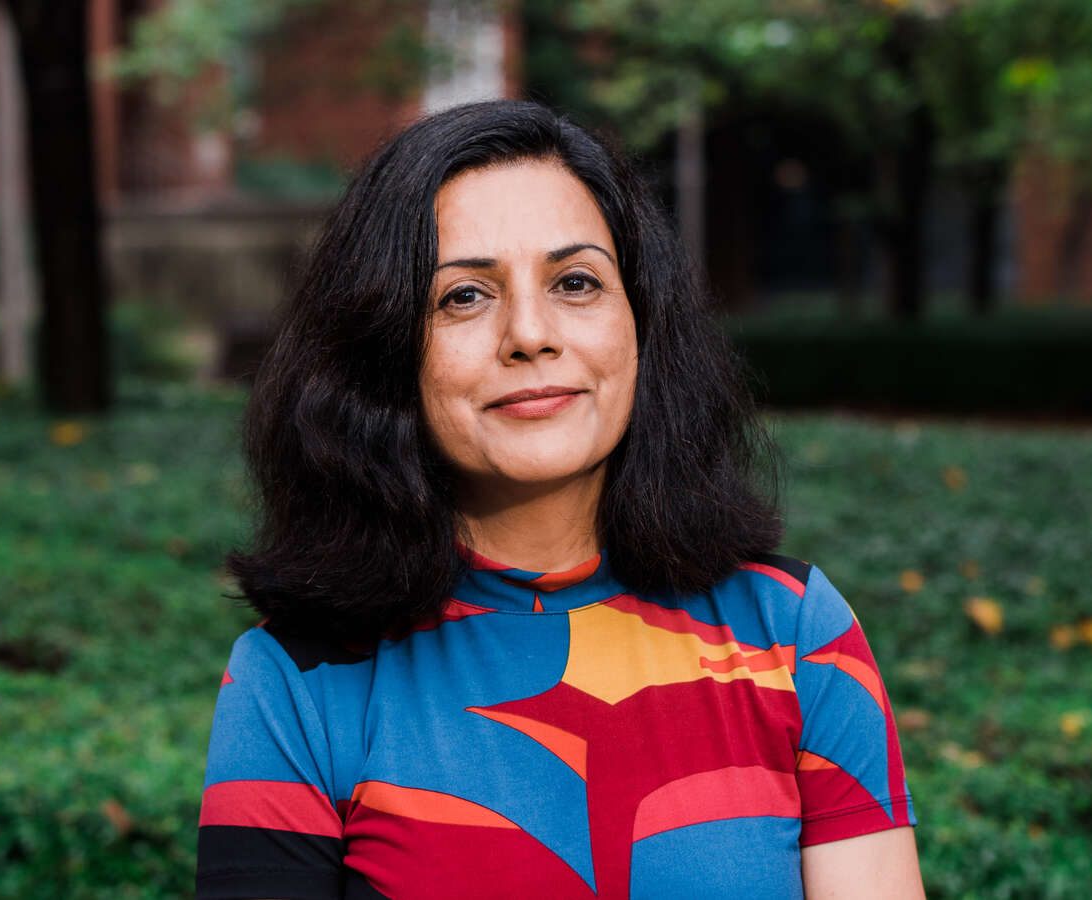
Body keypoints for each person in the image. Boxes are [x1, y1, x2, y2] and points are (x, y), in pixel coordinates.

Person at [195, 100, 925, 900]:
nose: (531, 334)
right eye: (464, 297)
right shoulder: (297, 680)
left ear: (641, 323)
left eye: (576, 282)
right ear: (383, 352)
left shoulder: (793, 635)